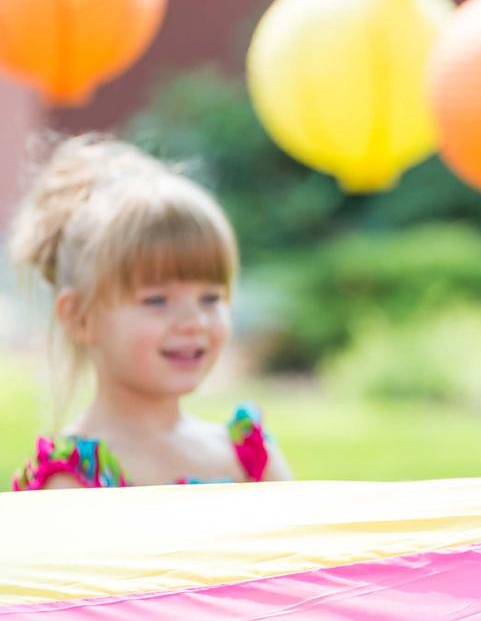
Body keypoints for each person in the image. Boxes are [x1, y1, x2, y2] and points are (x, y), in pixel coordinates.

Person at [7, 135, 291, 490]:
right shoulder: (72, 479)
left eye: (210, 298)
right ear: (79, 317)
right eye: (157, 300)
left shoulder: (248, 456)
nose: (194, 322)